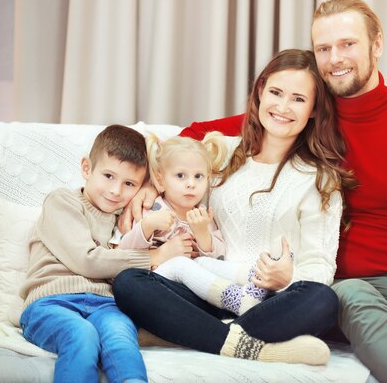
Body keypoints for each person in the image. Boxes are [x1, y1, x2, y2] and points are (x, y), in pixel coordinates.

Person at [128, 0, 387, 382]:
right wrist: (150, 183)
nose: (335, 59)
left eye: (347, 44)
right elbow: (197, 134)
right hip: (348, 290)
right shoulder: (307, 115)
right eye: (324, 49)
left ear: (376, 45)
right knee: (343, 295)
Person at [113, 48, 356, 366]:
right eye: (276, 93)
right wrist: (150, 183)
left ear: (313, 109)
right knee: (129, 282)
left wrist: (286, 277)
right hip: (204, 291)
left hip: (266, 302)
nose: (283, 107)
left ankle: (188, 332)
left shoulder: (318, 180)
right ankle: (246, 344)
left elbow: (320, 269)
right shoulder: (223, 153)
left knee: (323, 300)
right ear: (260, 92)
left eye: (298, 99)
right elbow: (174, 163)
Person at [19, 125, 180, 383]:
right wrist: (153, 256)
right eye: (108, 176)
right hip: (50, 303)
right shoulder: (62, 202)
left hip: (105, 305)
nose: (116, 191)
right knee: (82, 334)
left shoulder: (126, 222)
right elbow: (86, 260)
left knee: (121, 336)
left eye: (129, 183)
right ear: (86, 168)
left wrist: (150, 192)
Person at [115, 133, 268, 315]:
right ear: (161, 180)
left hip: (192, 290)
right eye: (180, 175)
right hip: (153, 283)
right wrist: (147, 226)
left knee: (202, 262)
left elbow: (218, 258)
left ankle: (256, 278)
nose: (191, 184)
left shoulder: (201, 215)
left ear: (208, 178)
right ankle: (234, 299)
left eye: (198, 176)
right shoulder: (152, 209)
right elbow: (123, 251)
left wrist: (202, 232)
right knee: (180, 263)